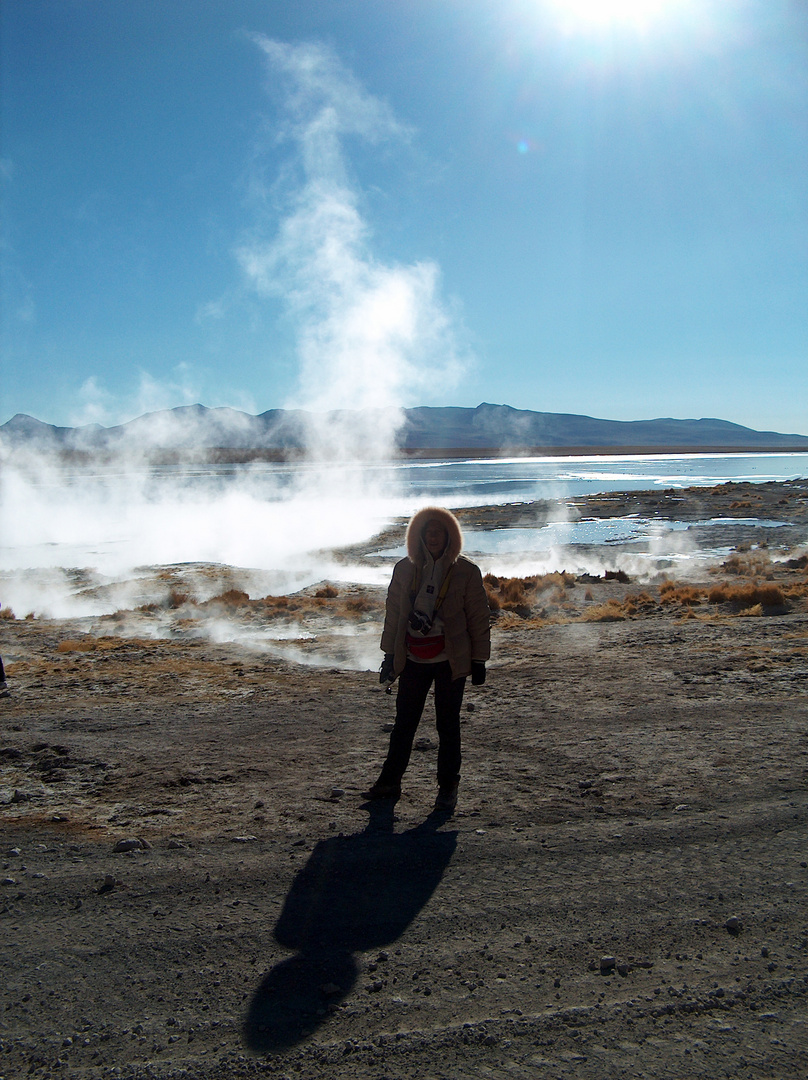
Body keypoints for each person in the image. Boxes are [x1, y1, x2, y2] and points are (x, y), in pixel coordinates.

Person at [363, 506, 491, 812]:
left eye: (439, 531)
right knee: (404, 724)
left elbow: (478, 617)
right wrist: (390, 655)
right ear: (418, 536)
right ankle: (389, 781)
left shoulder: (466, 572)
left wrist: (479, 659)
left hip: (450, 660)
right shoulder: (404, 569)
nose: (433, 537)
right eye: (428, 531)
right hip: (414, 659)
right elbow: (394, 615)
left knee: (447, 726)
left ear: (450, 536)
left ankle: (448, 787)